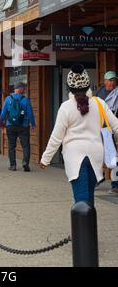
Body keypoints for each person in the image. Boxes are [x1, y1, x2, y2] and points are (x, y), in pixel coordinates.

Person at [40, 64, 118, 206]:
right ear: (87, 84)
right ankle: (90, 227)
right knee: (89, 199)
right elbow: (116, 125)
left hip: (75, 157)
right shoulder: (99, 103)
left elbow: (57, 137)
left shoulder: (66, 107)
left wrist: (46, 159)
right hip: (96, 155)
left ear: (69, 87)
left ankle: (83, 228)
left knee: (81, 201)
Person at [0, 82, 36, 172]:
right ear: (19, 89)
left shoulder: (8, 99)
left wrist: (1, 122)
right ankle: (25, 163)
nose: (24, 90)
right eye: (23, 88)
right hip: (24, 126)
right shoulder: (25, 100)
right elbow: (30, 113)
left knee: (11, 146)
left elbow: (3, 113)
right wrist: (33, 124)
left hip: (10, 125)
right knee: (25, 145)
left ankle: (13, 165)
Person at [96, 71, 118, 195]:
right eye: (109, 80)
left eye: (114, 80)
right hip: (99, 127)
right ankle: (99, 178)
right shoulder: (99, 93)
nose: (112, 83)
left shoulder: (117, 93)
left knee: (112, 156)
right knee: (98, 154)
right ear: (104, 81)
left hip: (111, 128)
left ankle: (115, 184)